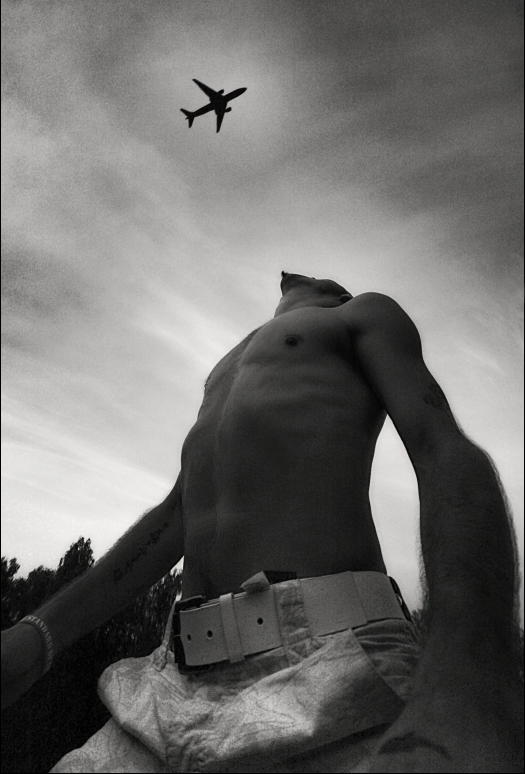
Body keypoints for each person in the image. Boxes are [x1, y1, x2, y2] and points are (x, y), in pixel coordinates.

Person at [2, 272, 522, 773]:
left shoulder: (361, 312)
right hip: (165, 688)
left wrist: (469, 684)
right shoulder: (226, 366)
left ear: (334, 291)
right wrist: (39, 634)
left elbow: (441, 447)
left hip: (335, 671)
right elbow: (176, 514)